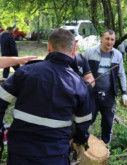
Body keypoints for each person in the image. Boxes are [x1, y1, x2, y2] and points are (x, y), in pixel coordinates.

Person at [0, 28, 92, 165]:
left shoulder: (26, 72)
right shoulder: (79, 85)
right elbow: (83, 125)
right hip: (55, 155)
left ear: (49, 46)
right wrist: (78, 140)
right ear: (73, 51)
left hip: (20, 153)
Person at [84, 29, 127, 144]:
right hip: (92, 94)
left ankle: (105, 146)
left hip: (109, 95)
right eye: (107, 39)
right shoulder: (90, 52)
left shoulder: (117, 55)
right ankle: (81, 144)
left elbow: (121, 74)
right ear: (101, 39)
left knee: (108, 122)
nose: (110, 42)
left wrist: (124, 93)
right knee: (87, 120)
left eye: (112, 39)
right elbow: (81, 72)